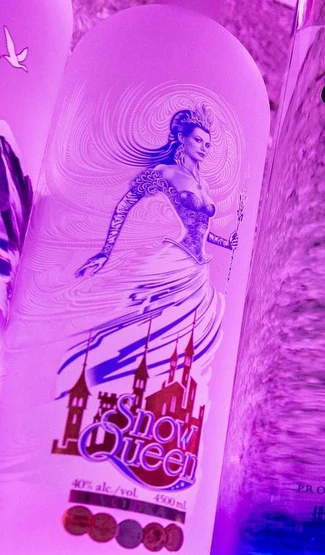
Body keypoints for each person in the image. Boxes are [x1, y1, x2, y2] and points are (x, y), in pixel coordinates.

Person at [74, 106, 237, 385]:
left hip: (197, 269)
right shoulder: (165, 172)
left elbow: (202, 229)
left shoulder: (205, 185)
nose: (204, 148)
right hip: (173, 259)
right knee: (144, 329)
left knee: (177, 340)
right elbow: (124, 205)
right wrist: (105, 251)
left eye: (208, 144)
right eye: (198, 140)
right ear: (182, 138)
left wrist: (226, 242)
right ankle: (97, 377)